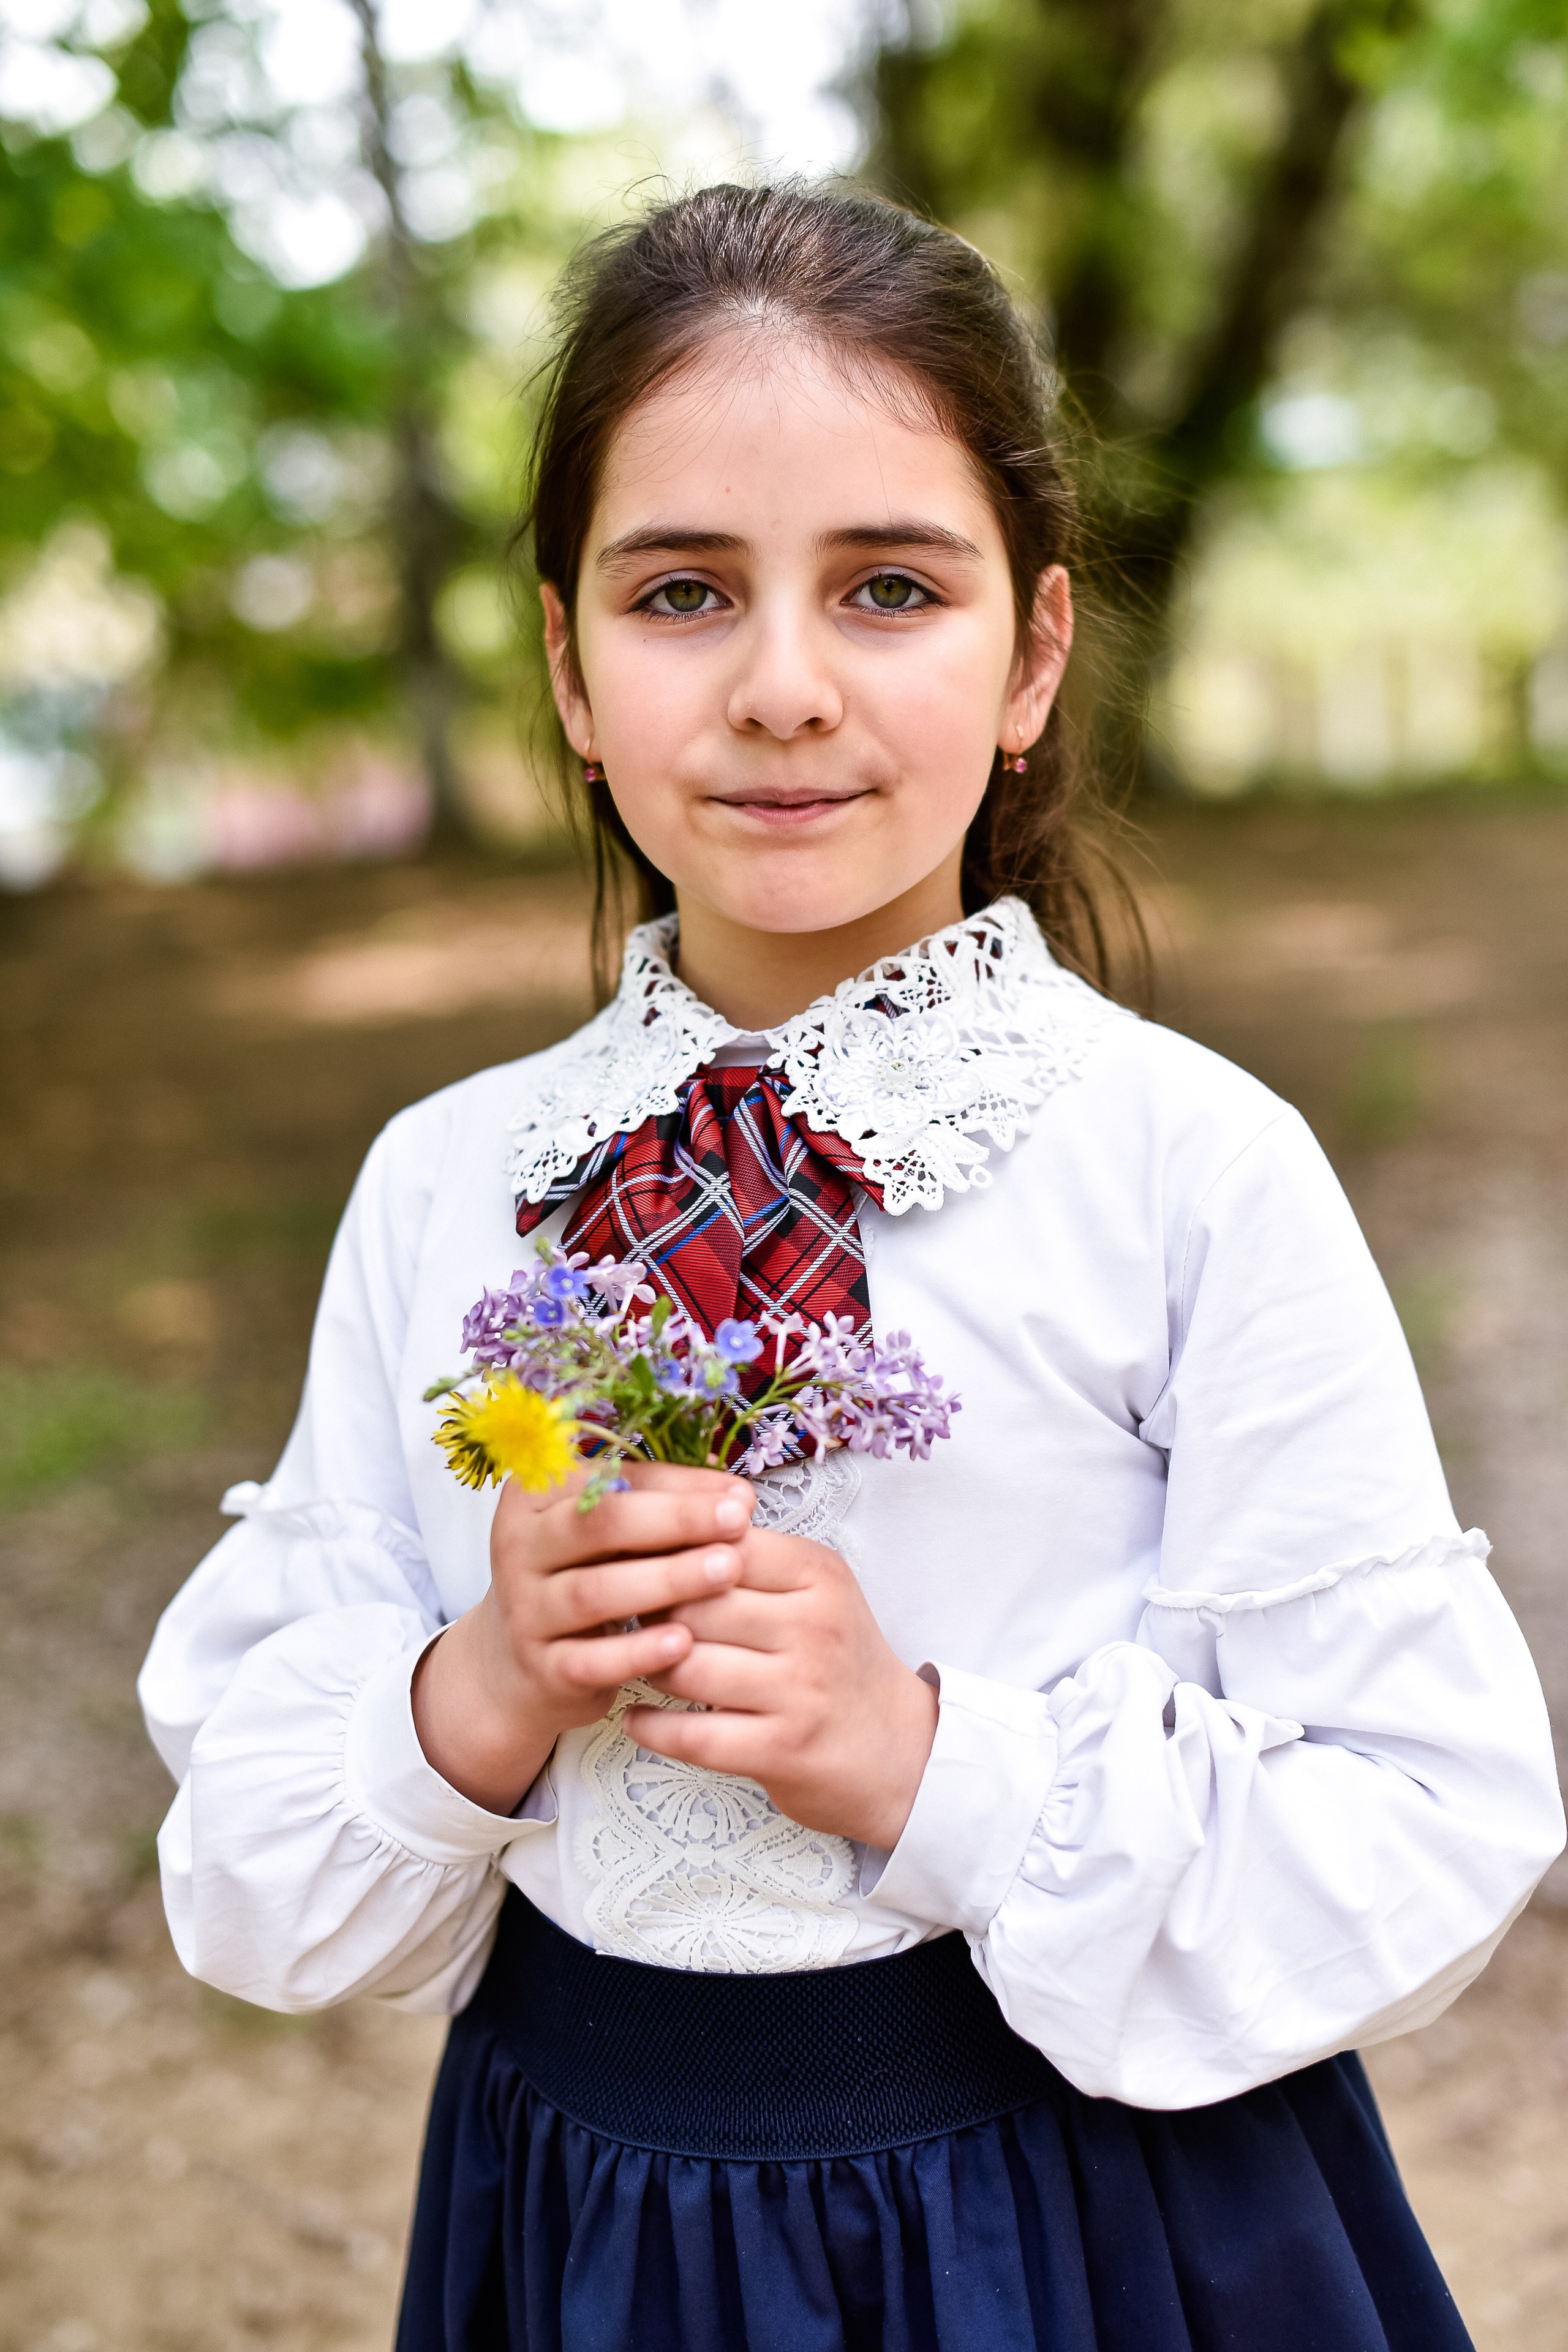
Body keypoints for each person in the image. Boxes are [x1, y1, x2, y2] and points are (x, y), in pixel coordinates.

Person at [138, 183, 1562, 2352]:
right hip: (582, 2230)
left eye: (889, 588)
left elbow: (1432, 1815)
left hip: (1091, 2232)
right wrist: (483, 1688)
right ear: (567, 668)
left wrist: (928, 1765)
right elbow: (251, 1889)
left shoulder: (1184, 1171)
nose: (783, 688)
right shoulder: (448, 1186)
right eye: (683, 593)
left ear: (1035, 655)